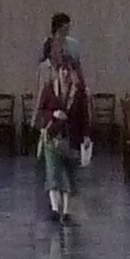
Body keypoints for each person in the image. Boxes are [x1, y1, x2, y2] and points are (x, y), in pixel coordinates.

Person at [35, 13, 90, 235]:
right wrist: (44, 118)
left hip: (70, 126)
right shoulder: (48, 74)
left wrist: (85, 132)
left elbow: (80, 84)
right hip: (53, 128)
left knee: (69, 168)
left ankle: (66, 208)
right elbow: (42, 95)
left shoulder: (73, 51)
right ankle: (55, 207)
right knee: (52, 169)